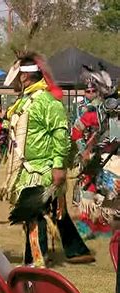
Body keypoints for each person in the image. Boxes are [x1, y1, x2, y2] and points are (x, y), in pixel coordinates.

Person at [3, 51, 94, 267]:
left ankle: (36, 261)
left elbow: (61, 134)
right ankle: (74, 250)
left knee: (34, 214)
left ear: (24, 76)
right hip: (27, 168)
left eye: (17, 74)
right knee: (47, 211)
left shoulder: (47, 101)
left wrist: (58, 166)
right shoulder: (26, 100)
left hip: (42, 168)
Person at [71, 64, 119, 239]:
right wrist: (83, 149)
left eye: (93, 90)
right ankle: (87, 225)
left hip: (113, 159)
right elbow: (76, 131)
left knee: (109, 194)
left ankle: (103, 225)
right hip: (95, 157)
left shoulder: (105, 113)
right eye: (88, 90)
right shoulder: (90, 113)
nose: (90, 92)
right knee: (88, 190)